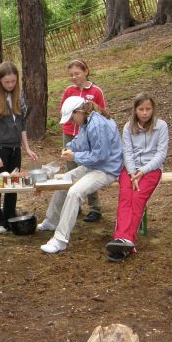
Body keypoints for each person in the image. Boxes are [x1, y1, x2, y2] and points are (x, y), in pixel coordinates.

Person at [38, 96, 122, 254]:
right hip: (94, 165)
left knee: (75, 192)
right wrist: (69, 147)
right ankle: (52, 221)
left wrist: (75, 157)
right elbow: (80, 141)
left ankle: (60, 240)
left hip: (107, 169)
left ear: (80, 111)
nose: (71, 121)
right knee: (63, 179)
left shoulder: (97, 124)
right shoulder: (87, 121)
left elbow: (100, 156)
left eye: (71, 117)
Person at [106, 93, 169, 262]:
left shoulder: (161, 126)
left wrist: (143, 171)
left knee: (137, 198)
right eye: (141, 109)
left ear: (153, 109)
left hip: (151, 170)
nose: (145, 112)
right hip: (130, 170)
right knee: (126, 198)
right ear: (135, 110)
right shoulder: (128, 126)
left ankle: (127, 241)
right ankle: (120, 239)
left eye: (148, 109)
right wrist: (133, 172)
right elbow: (127, 152)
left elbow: (161, 154)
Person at [0, 61, 38, 234]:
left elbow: (21, 124)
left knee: (14, 184)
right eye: (6, 82)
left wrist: (26, 147)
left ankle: (9, 217)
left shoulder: (18, 96)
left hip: (15, 147)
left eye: (13, 81)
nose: (10, 85)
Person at [60, 59, 107, 223]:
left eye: (77, 73)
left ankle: (95, 207)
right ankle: (76, 204)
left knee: (88, 169)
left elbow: (101, 112)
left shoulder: (96, 91)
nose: (74, 77)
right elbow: (63, 111)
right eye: (71, 75)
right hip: (70, 133)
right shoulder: (69, 91)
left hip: (88, 136)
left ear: (86, 71)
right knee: (71, 169)